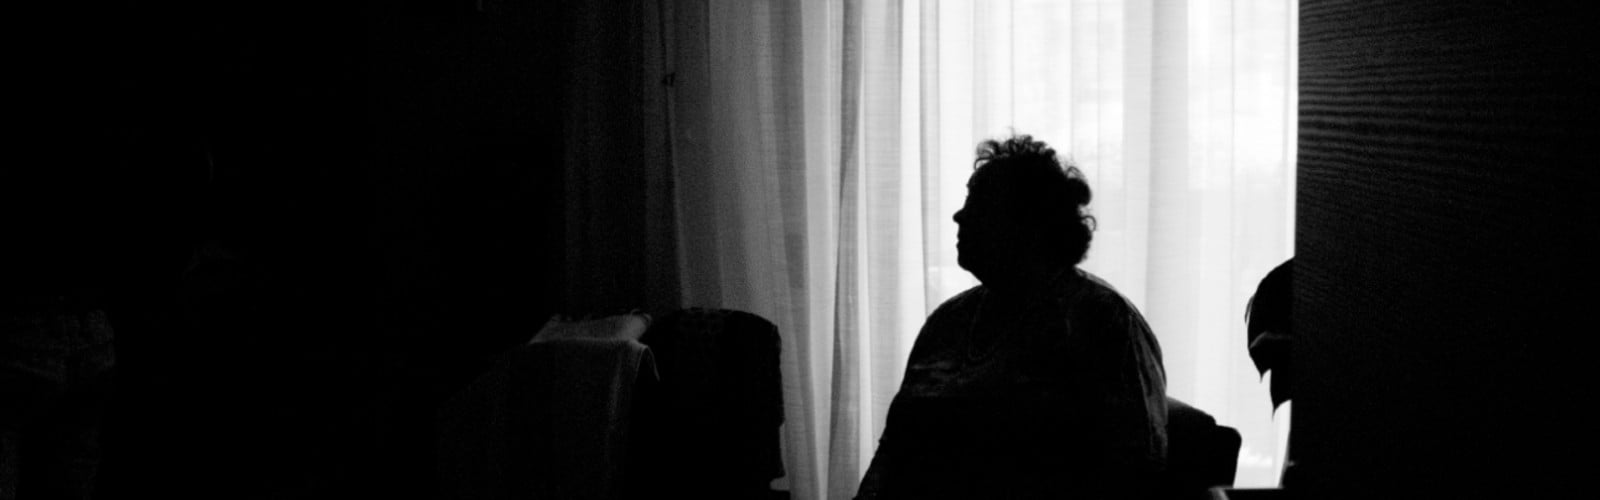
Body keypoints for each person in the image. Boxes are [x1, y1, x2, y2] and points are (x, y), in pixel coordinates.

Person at [855, 135, 1168, 500]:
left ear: (1026, 223)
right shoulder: (949, 321)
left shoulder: (1102, 320)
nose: (959, 216)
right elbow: (894, 449)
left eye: (978, 203)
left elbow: (1133, 470)